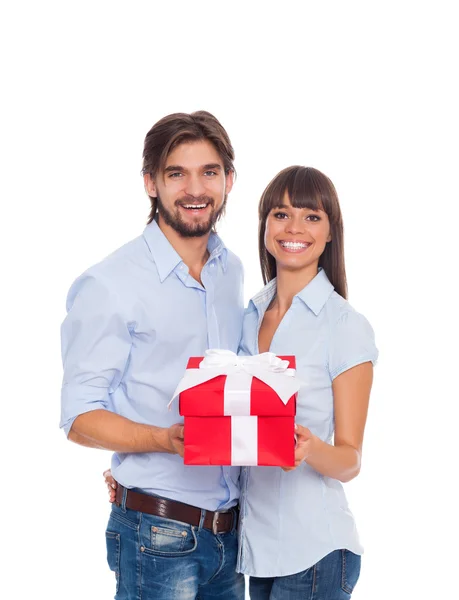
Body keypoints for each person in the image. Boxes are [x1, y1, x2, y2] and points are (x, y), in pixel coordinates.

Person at [104, 164, 378, 599]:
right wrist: (142, 473)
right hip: (251, 550)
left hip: (314, 551)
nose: (294, 228)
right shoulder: (248, 316)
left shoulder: (345, 326)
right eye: (281, 214)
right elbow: (228, 421)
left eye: (312, 217)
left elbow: (351, 460)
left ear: (330, 233)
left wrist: (310, 449)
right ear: (265, 224)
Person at [60, 111, 246, 600]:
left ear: (228, 180)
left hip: (234, 534)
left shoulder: (232, 271)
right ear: (150, 183)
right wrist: (160, 441)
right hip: (157, 534)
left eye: (209, 171)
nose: (195, 188)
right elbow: (79, 417)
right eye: (175, 173)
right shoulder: (111, 284)